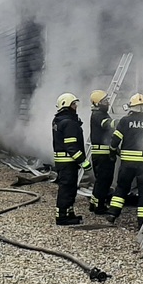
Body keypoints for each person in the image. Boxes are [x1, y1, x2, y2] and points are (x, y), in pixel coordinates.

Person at [106, 93, 143, 227]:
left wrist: (113, 151)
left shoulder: (125, 121)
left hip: (127, 163)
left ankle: (112, 214)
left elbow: (115, 140)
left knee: (122, 188)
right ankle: (142, 222)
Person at [51, 93, 91, 225]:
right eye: (74, 104)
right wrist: (83, 162)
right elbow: (71, 146)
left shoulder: (59, 120)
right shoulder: (69, 123)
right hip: (68, 162)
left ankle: (69, 213)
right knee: (67, 189)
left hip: (64, 161)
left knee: (70, 188)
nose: (76, 106)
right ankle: (62, 217)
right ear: (67, 105)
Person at [87, 90, 118, 214]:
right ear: (97, 103)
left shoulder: (99, 113)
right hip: (103, 155)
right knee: (104, 180)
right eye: (105, 101)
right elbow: (108, 125)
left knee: (100, 180)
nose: (108, 103)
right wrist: (125, 121)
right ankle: (99, 207)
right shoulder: (99, 115)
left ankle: (94, 203)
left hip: (101, 154)